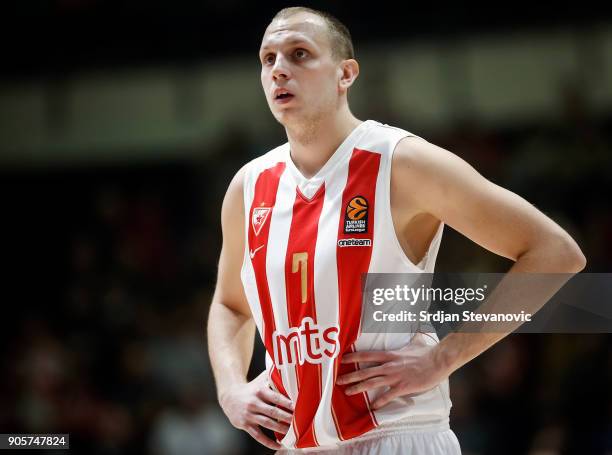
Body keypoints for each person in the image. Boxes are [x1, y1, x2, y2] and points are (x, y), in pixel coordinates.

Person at [207, 6, 586, 454]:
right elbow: (230, 305)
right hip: (298, 445)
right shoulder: (248, 187)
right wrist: (231, 388)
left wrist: (445, 357)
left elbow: (556, 253)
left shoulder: (402, 162)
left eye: (299, 54)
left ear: (345, 74)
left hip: (398, 435)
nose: (279, 70)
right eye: (268, 59)